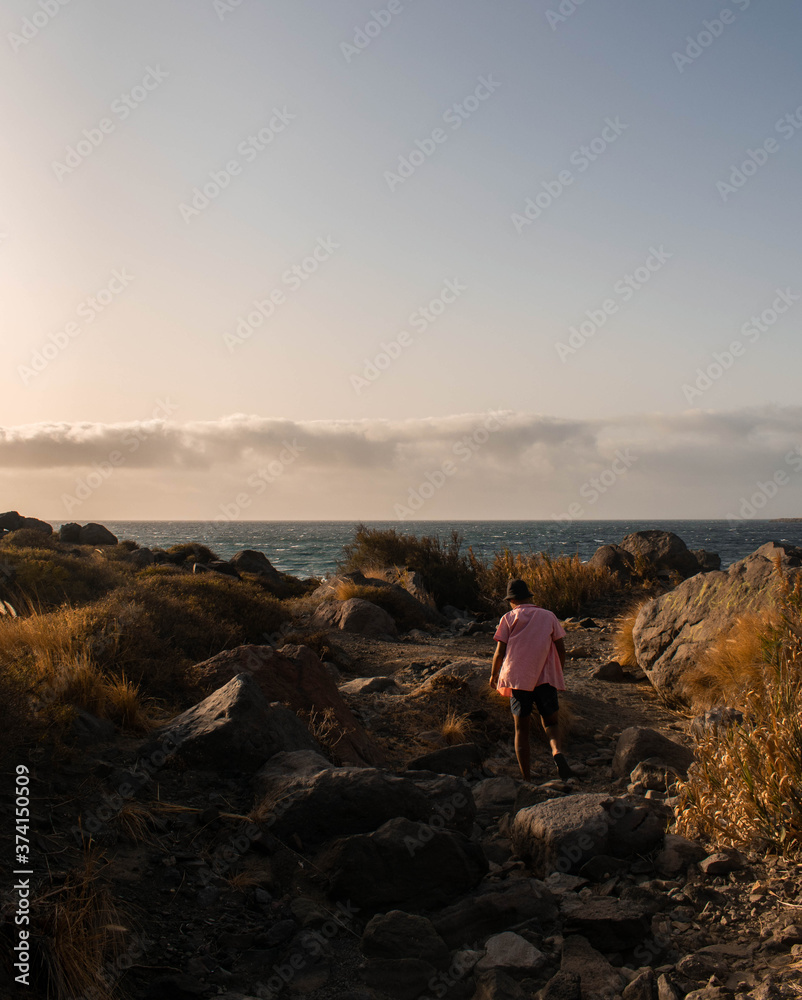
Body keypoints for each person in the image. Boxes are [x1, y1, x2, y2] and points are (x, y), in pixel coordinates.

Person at [489, 578, 576, 782]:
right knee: (551, 723)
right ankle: (556, 752)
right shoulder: (548, 616)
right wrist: (557, 672)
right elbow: (561, 648)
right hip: (545, 680)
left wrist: (494, 674)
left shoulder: (508, 618)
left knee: (521, 729)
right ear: (529, 596)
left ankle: (526, 778)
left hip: (519, 680)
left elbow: (499, 652)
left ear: (512, 600)